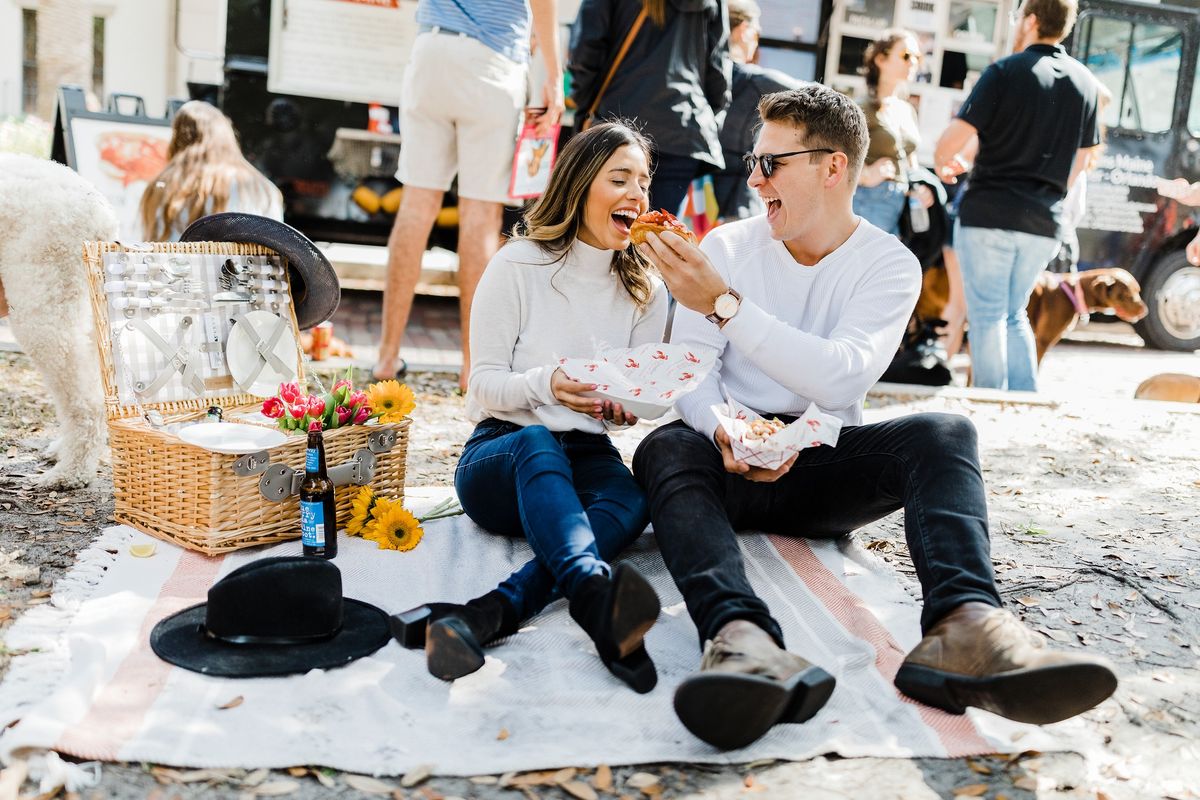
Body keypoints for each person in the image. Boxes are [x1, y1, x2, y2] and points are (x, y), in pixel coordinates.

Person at [632, 85, 1118, 750]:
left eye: (772, 163)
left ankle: (967, 627)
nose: (753, 177)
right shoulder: (727, 245)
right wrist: (725, 426)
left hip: (823, 465)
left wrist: (726, 305)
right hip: (725, 460)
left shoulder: (888, 264)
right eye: (754, 160)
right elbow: (691, 369)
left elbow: (840, 375)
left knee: (946, 431)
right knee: (663, 447)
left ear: (833, 168)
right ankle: (741, 640)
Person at [397, 122, 669, 693]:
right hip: (504, 451)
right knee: (537, 440)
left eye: (643, 183)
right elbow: (482, 387)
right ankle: (596, 595)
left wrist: (622, 405)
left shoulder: (647, 286)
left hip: (589, 451)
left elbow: (646, 399)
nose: (636, 195)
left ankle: (491, 613)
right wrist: (548, 384)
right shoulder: (520, 263)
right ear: (579, 183)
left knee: (630, 495)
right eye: (619, 178)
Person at [373, 0, 565, 391]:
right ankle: (472, 368)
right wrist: (555, 79)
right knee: (479, 217)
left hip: (431, 49)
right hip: (491, 60)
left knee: (416, 206)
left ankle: (386, 357)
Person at [934, 0, 1100, 391]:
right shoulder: (1085, 82)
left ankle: (992, 402)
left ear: (1030, 21)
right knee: (1013, 314)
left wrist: (947, 163)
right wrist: (1052, 188)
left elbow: (949, 143)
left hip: (989, 212)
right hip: (1044, 220)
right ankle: (1025, 400)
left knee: (989, 315)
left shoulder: (1004, 72)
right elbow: (1085, 158)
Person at [569, 0, 730, 217]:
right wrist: (710, 119)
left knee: (600, 229)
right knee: (658, 238)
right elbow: (718, 67)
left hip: (617, 122)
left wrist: (584, 108)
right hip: (684, 131)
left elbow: (586, 49)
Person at [139, 101, 284, 241]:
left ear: (178, 138)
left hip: (175, 265)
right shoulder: (263, 188)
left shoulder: (163, 186)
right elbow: (276, 252)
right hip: (245, 266)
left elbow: (149, 247)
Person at [711, 0, 802, 222]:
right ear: (743, 31)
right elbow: (818, 95)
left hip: (697, 195)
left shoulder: (697, 76)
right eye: (757, 33)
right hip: (738, 199)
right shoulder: (756, 81)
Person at [853, 30, 934, 238]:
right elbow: (834, 155)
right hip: (869, 201)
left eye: (918, 57)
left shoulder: (906, 109)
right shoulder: (861, 107)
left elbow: (910, 159)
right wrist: (865, 175)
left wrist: (919, 186)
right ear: (881, 59)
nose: (913, 62)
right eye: (907, 55)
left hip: (901, 204)